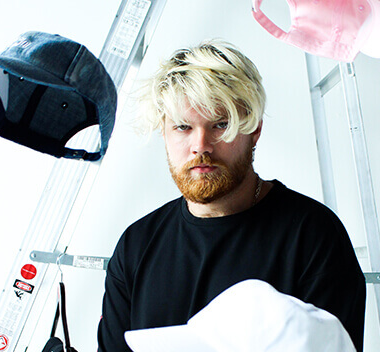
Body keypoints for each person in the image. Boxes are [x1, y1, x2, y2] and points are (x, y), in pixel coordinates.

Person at [97, 39, 366, 352]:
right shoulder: (136, 245)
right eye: (183, 127)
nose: (201, 146)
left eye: (220, 124)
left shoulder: (313, 236)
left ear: (254, 129)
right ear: (165, 132)